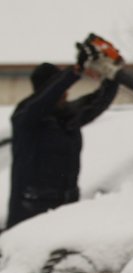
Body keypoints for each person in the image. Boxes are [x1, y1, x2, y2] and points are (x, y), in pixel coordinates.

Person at [6, 38, 121, 229]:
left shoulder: (66, 117)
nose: (66, 94)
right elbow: (44, 99)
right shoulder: (26, 117)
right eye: (61, 90)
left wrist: (112, 76)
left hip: (65, 211)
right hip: (29, 211)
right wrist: (76, 70)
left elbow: (96, 101)